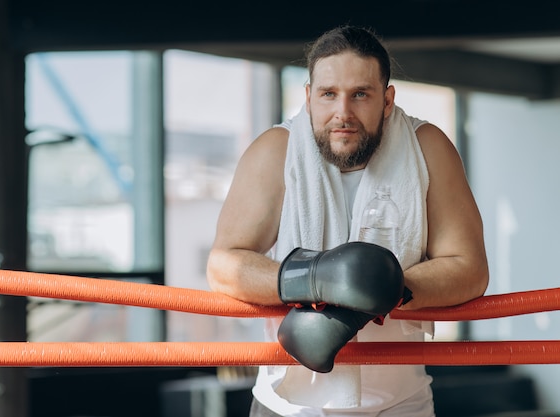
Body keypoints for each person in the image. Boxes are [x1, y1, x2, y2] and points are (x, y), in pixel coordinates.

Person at [206, 24, 489, 417]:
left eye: (360, 94)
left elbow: (470, 268)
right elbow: (223, 265)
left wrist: (382, 289)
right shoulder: (275, 152)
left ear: (387, 100)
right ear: (308, 97)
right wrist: (316, 277)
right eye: (328, 94)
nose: (343, 112)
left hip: (401, 402)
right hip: (287, 404)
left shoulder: (428, 147)